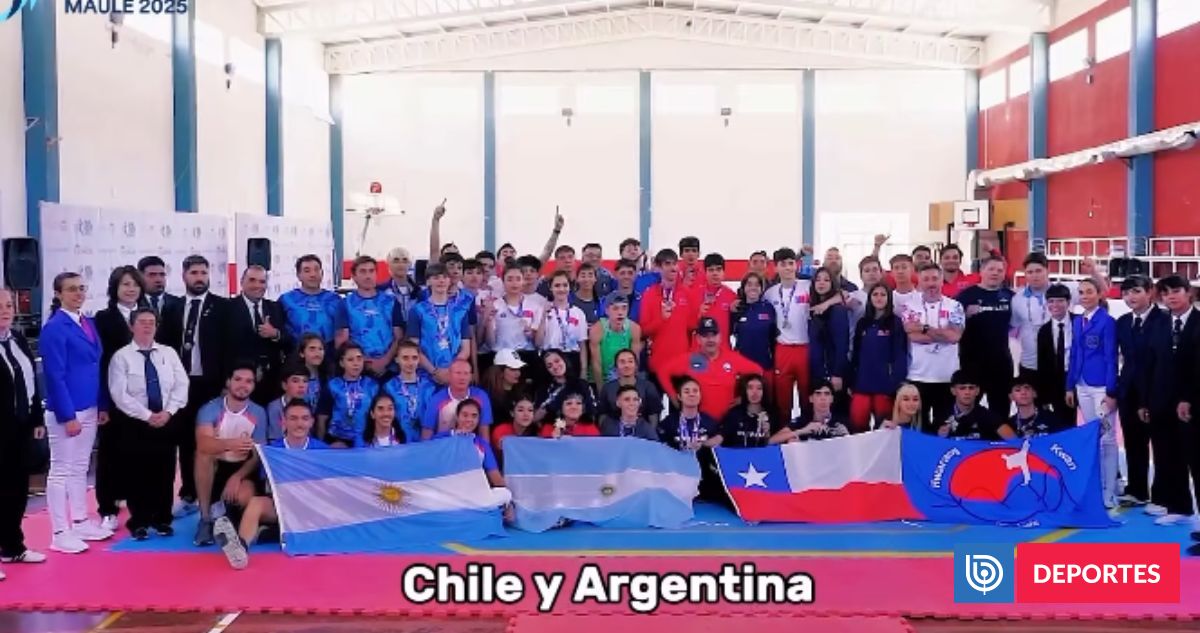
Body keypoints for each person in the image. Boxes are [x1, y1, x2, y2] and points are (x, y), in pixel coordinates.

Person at [41, 272, 113, 553]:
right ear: (59, 294)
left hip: (90, 405)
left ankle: (80, 520)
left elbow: (96, 366)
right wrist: (67, 415)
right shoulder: (54, 328)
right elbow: (54, 375)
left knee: (80, 466)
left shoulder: (87, 322)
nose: (78, 294)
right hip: (68, 409)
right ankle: (60, 532)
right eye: (72, 289)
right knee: (60, 469)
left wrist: (102, 404)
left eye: (81, 288)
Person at [213, 399, 329, 570]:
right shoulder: (272, 451)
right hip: (282, 508)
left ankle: (268, 533)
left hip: (310, 510)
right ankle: (241, 550)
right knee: (256, 503)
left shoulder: (323, 451)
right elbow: (269, 486)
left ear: (311, 422)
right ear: (284, 422)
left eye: (304, 418)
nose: (299, 423)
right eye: (293, 418)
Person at [107, 307, 190, 539]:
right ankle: (139, 521)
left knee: (165, 471)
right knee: (137, 472)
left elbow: (181, 385)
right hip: (136, 422)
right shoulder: (121, 357)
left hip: (166, 419)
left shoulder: (168, 353)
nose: (147, 326)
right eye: (142, 322)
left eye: (151, 322)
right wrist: (146, 415)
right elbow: (119, 393)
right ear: (131, 326)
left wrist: (169, 412)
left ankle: (162, 519)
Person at [159, 254, 231, 518]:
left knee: (216, 440)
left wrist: (227, 382)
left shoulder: (223, 307)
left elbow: (230, 347)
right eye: (194, 273)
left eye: (203, 273)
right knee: (186, 441)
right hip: (181, 386)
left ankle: (217, 496)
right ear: (184, 276)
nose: (199, 278)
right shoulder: (172, 308)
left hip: (213, 385)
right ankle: (189, 493)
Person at [1143, 275, 1200, 528]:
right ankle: (1179, 507)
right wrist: (1145, 401)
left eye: (1176, 291)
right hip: (1161, 402)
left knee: (1196, 460)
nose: (1171, 297)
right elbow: (1150, 364)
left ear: (1189, 292)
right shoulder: (1159, 324)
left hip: (1193, 404)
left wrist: (1188, 398)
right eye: (1165, 293)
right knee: (1167, 457)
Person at [93, 265, 146, 532]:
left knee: (139, 454)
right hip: (114, 397)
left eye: (135, 284)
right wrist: (103, 402)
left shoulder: (149, 316)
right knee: (109, 454)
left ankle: (141, 509)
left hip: (143, 399)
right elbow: (100, 362)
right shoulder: (102, 319)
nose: (131, 289)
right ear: (115, 288)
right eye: (125, 284)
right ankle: (108, 509)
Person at [192, 363, 269, 547]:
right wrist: (230, 443)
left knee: (245, 496)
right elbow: (203, 445)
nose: (243, 385)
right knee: (202, 455)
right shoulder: (210, 409)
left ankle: (225, 517)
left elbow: (258, 455)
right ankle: (205, 518)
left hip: (242, 467)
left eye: (249, 381)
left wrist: (237, 476)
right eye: (238, 379)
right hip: (217, 466)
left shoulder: (258, 412)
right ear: (228, 382)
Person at [0, 289, 47, 574]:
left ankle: (12, 546)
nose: (5, 311)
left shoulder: (17, 339)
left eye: (8, 305)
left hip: (20, 427)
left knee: (16, 490)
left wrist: (36, 419)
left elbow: (30, 384)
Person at [1065, 277, 1118, 510]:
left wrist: (1111, 391)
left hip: (1101, 387)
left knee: (1107, 438)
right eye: (1081, 292)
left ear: (1099, 295)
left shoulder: (1107, 322)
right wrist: (1070, 385)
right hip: (1082, 385)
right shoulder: (1078, 321)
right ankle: (1097, 486)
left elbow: (1111, 357)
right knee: (1093, 437)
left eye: (1089, 292)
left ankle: (1110, 491)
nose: (1085, 296)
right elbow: (1075, 354)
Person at [1114, 275, 1164, 507]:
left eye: (1136, 291)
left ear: (1150, 292)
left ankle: (1164, 496)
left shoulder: (1164, 320)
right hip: (1128, 392)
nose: (1130, 297)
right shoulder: (1123, 322)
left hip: (1156, 391)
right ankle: (1137, 490)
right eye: (1126, 293)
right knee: (1133, 443)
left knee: (1162, 446)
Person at [656, 317, 763, 420]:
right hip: (699, 422)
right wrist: (674, 398)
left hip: (727, 422)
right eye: (705, 336)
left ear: (720, 337)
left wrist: (743, 398)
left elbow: (759, 371)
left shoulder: (733, 358)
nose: (710, 340)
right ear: (698, 339)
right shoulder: (690, 359)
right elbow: (662, 372)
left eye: (713, 335)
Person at [902, 263, 964, 427]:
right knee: (919, 427)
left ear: (942, 280)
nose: (931, 283)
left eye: (935, 279)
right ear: (919, 282)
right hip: (918, 375)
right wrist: (943, 333)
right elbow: (913, 336)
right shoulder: (910, 306)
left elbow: (954, 337)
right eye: (926, 279)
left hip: (947, 376)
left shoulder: (955, 306)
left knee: (943, 428)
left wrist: (924, 328)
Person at [955, 257, 1015, 413]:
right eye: (991, 269)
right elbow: (951, 327)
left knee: (1001, 410)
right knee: (968, 410)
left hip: (1001, 363)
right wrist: (965, 316)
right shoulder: (965, 296)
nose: (995, 273)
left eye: (999, 270)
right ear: (981, 271)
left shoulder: (1011, 296)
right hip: (972, 363)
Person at [849, 284, 908, 433]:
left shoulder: (895, 322)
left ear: (889, 298)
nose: (879, 298)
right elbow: (856, 354)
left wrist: (896, 382)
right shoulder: (863, 323)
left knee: (883, 428)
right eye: (875, 294)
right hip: (862, 383)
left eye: (883, 294)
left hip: (884, 385)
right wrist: (851, 379)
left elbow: (900, 354)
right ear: (870, 298)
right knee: (857, 423)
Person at [763, 247, 812, 420]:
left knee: (807, 394)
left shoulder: (808, 286)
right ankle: (783, 429)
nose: (788, 268)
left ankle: (807, 428)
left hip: (805, 348)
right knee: (783, 398)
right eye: (783, 264)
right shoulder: (770, 293)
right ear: (776, 267)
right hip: (782, 349)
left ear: (796, 265)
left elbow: (836, 292)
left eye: (791, 263)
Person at [1011, 253, 1072, 391]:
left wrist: (1093, 271)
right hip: (1030, 364)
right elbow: (1014, 326)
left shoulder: (1063, 290)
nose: (1034, 276)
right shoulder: (1017, 299)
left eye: (1038, 271)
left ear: (1047, 270)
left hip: (1060, 365)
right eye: (1030, 272)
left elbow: (1101, 292)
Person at [336, 256, 404, 379]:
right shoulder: (345, 304)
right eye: (363, 271)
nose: (368, 276)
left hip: (389, 369)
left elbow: (399, 337)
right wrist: (364, 362)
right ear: (354, 276)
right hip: (358, 370)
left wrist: (384, 361)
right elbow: (342, 340)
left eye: (371, 271)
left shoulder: (391, 302)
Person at [229, 265, 288, 405]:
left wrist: (275, 334)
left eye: (262, 281)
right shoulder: (227, 307)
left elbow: (289, 341)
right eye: (252, 280)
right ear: (242, 282)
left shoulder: (276, 307)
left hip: (272, 382)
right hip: (240, 382)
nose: (257, 285)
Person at [409, 263, 472, 385]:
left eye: (444, 277)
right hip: (426, 374)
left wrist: (450, 371)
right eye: (436, 277)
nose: (441, 281)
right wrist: (434, 371)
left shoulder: (460, 311)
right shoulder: (417, 310)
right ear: (428, 282)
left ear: (449, 281)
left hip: (454, 375)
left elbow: (466, 349)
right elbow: (413, 347)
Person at [639, 249, 699, 376]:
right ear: (658, 268)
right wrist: (661, 319)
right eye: (667, 264)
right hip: (658, 362)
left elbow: (693, 327)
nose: (673, 268)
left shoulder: (687, 293)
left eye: (674, 263)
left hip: (681, 363)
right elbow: (644, 330)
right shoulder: (649, 294)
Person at [278, 254, 342, 355]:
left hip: (328, 356)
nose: (313, 274)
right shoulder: (286, 300)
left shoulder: (335, 299)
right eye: (307, 271)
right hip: (296, 356)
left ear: (322, 273)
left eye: (316, 270)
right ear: (298, 275)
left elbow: (342, 332)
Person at [434, 399, 505, 488]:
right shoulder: (440, 439)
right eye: (465, 415)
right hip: (444, 488)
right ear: (457, 416)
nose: (469, 419)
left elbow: (496, 478)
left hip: (472, 490)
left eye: (474, 416)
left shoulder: (482, 444)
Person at [321, 342, 381, 447]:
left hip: (366, 440)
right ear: (341, 363)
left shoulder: (372, 385)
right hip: (337, 441)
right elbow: (322, 418)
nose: (356, 363)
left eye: (359, 358)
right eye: (350, 360)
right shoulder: (332, 385)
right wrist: (322, 445)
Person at [485, 265, 542, 373]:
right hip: (502, 356)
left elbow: (538, 342)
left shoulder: (534, 306)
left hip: (526, 355)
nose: (514, 283)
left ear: (523, 281)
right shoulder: (495, 306)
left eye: (518, 279)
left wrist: (532, 334)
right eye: (510, 279)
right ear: (503, 282)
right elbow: (490, 343)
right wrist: (488, 320)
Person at [807, 268, 850, 407]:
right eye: (818, 280)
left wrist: (837, 373)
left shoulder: (838, 310)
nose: (821, 283)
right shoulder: (813, 308)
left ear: (832, 284)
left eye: (826, 280)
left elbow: (842, 345)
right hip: (816, 372)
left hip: (832, 372)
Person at [536, 271, 590, 380]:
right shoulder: (543, 310)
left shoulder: (578, 313)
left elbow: (582, 345)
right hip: (551, 359)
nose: (561, 289)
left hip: (572, 358)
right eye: (557, 285)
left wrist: (583, 370)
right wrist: (543, 317)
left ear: (570, 287)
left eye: (565, 285)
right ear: (550, 288)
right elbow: (538, 343)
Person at [1036, 284, 1077, 423]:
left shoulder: (1080, 323)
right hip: (1057, 383)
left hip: (1080, 380)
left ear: (1068, 302)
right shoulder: (1044, 331)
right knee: (1064, 423)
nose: (1055, 305)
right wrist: (1043, 395)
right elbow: (1042, 365)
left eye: (1060, 300)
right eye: (1051, 301)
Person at [423, 359, 493, 440]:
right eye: (458, 373)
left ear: (471, 377)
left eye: (466, 373)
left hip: (471, 445)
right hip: (444, 444)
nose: (462, 378)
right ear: (449, 375)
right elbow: (426, 434)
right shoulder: (437, 399)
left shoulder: (481, 396)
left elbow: (484, 433)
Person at [381, 340, 436, 443]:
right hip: (398, 442)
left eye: (414, 358)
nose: (410, 363)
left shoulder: (429, 387)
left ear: (419, 360)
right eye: (405, 358)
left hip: (425, 442)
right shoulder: (389, 387)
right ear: (397, 359)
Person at [938, 371, 1015, 440]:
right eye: (962, 388)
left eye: (971, 388)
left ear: (977, 391)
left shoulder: (988, 417)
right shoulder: (941, 416)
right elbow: (932, 444)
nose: (967, 392)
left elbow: (1014, 441)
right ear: (953, 391)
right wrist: (939, 437)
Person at [596, 348, 662, 428]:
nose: (626, 365)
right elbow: (602, 415)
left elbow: (653, 415)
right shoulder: (608, 388)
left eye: (630, 361)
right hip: (614, 430)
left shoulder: (648, 387)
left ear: (636, 366)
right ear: (616, 367)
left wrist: (651, 433)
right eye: (622, 362)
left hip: (642, 430)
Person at [588, 294, 643, 389]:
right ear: (607, 310)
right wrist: (601, 390)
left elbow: (635, 361)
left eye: (624, 308)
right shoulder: (597, 329)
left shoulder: (634, 329)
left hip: (623, 376)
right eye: (615, 308)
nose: (620, 313)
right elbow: (596, 363)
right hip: (601, 377)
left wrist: (630, 387)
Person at [770, 381, 850, 443]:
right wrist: (802, 431)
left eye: (827, 394)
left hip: (835, 457)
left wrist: (848, 436)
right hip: (808, 458)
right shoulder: (803, 421)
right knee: (792, 441)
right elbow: (772, 440)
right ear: (811, 399)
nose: (823, 398)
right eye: (818, 394)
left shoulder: (841, 421)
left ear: (832, 399)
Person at [658, 376, 722, 451]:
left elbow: (719, 441)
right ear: (679, 397)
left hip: (702, 458)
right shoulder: (668, 423)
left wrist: (703, 444)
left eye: (695, 391)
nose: (691, 394)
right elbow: (660, 447)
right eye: (686, 392)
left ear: (700, 395)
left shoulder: (710, 422)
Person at [731, 272, 776, 375]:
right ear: (744, 288)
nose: (753, 288)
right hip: (743, 364)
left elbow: (774, 336)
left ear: (761, 288)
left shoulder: (769, 308)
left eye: (757, 285)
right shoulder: (737, 309)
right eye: (749, 284)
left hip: (764, 364)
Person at [533, 350, 597, 423]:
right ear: (547, 370)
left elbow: (592, 411)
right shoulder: (543, 389)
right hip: (552, 426)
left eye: (557, 361)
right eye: (549, 366)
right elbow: (536, 417)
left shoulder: (582, 384)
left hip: (581, 426)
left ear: (564, 360)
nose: (555, 366)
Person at [721, 374, 782, 448]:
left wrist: (767, 434)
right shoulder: (734, 414)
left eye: (759, 388)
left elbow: (776, 444)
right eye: (750, 388)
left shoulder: (773, 415)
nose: (754, 392)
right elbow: (722, 438)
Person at [293, 333, 329, 437]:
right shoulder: (294, 377)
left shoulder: (328, 377)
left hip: (322, 429)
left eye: (320, 349)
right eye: (312, 349)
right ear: (302, 353)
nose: (317, 353)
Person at [698, 254, 737, 346]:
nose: (715, 273)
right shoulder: (694, 294)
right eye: (711, 270)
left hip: (723, 348)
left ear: (723, 272)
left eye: (718, 269)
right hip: (700, 349)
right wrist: (698, 314)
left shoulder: (732, 296)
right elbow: (687, 326)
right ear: (705, 272)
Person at [266, 364, 310, 445]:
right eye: (295, 381)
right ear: (284, 385)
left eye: (305, 381)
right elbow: (274, 440)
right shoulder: (274, 408)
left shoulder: (308, 406)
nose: (301, 385)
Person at [490, 393, 539, 463]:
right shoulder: (501, 430)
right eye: (520, 410)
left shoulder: (539, 432)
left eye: (530, 410)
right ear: (512, 413)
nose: (526, 414)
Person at [381, 246, 420, 323]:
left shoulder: (419, 292)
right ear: (388, 264)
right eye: (396, 261)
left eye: (405, 260)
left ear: (410, 264)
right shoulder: (381, 291)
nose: (401, 264)